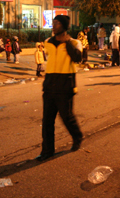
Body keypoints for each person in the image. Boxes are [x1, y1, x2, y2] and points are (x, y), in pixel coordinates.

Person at [36, 15, 83, 162]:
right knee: (47, 121)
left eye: (56, 23)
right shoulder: (48, 42)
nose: (53, 26)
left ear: (64, 26)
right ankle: (47, 151)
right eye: (53, 23)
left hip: (65, 85)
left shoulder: (75, 43)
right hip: (50, 85)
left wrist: (67, 42)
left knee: (67, 117)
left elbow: (77, 58)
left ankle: (77, 136)